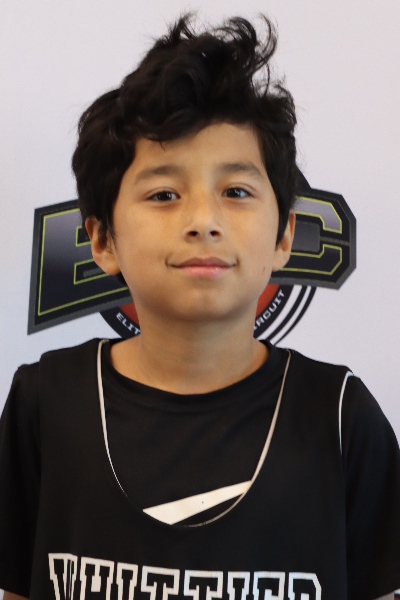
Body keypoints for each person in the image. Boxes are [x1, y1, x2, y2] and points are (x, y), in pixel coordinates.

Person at [0, 14, 399, 600]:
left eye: (236, 191)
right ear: (102, 239)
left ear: (284, 236)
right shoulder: (44, 404)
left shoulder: (340, 418)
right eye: (164, 194)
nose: (204, 221)